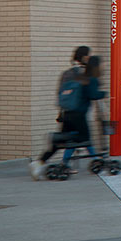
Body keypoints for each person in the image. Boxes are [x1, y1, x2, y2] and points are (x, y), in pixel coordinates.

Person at [31, 46, 98, 178]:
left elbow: (60, 93)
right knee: (82, 138)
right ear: (84, 57)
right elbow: (90, 93)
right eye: (88, 55)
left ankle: (40, 162)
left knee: (63, 141)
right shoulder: (83, 73)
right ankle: (95, 160)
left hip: (67, 112)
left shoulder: (67, 73)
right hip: (78, 113)